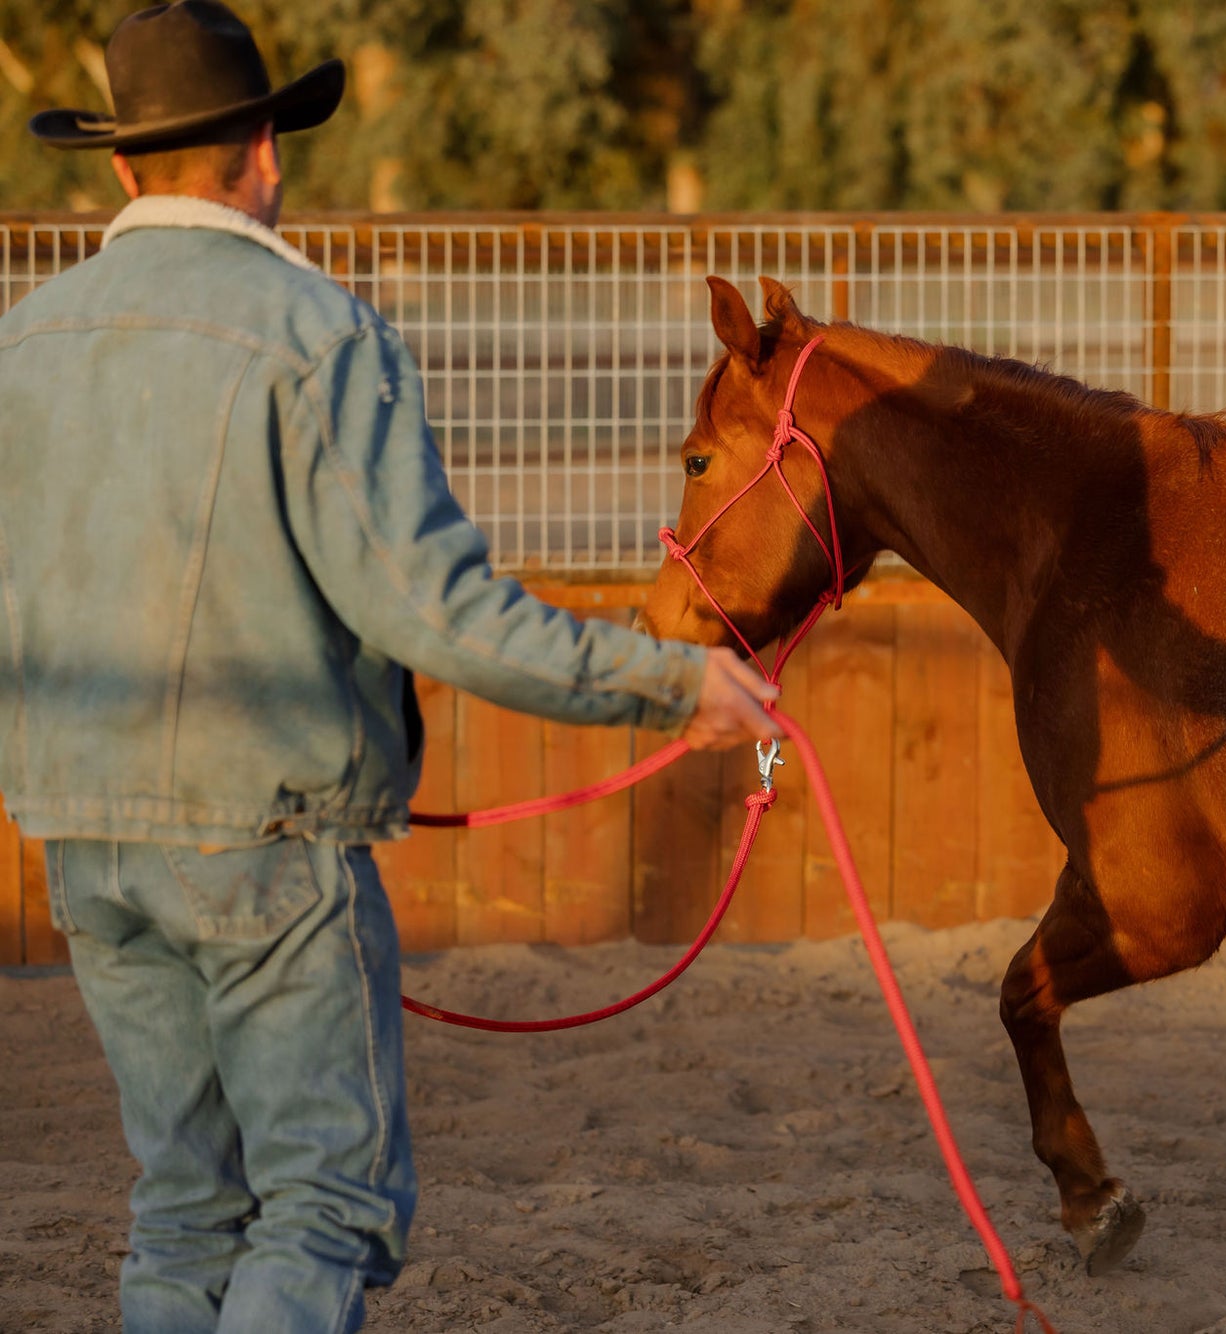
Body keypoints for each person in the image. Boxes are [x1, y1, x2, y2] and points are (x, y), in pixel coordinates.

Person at [0, 4, 777, 1330]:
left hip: (82, 839)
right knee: (322, 1210)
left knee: (183, 1208)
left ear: (124, 167)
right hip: (269, 844)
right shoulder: (316, 336)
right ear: (264, 148)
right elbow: (440, 613)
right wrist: (670, 680)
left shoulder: (25, 344)